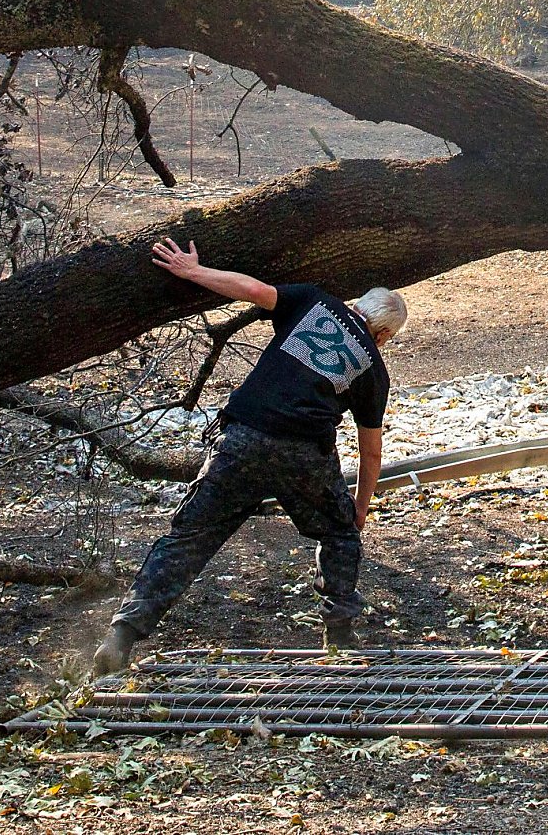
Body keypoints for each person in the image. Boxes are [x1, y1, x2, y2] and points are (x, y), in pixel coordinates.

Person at [91, 238, 408, 676]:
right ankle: (339, 639)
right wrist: (358, 510)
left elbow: (253, 290)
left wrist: (192, 271)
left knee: (189, 537)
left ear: (358, 305)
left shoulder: (316, 302)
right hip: (305, 455)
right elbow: (371, 453)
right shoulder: (373, 365)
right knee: (338, 536)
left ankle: (121, 636)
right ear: (385, 333)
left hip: (242, 437)